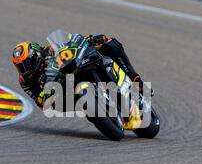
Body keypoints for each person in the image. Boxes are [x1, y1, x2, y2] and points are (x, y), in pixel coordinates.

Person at [11, 34, 144, 109]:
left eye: (26, 64)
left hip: (75, 67)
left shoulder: (49, 50)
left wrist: (89, 39)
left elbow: (71, 45)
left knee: (108, 43)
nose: (24, 70)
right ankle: (95, 105)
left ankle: (134, 78)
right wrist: (45, 94)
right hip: (64, 94)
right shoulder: (25, 81)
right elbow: (40, 105)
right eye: (20, 67)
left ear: (36, 56)